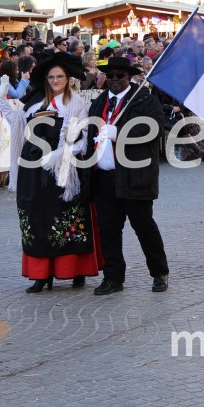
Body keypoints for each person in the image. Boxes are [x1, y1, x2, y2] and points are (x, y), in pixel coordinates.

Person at [0, 52, 100, 292]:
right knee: (35, 216)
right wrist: (2, 97)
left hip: (63, 170)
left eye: (60, 76)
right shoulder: (34, 103)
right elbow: (16, 122)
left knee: (66, 216)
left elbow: (83, 140)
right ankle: (41, 275)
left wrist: (58, 156)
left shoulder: (76, 104)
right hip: (32, 169)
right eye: (51, 76)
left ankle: (75, 270)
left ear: (68, 79)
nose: (55, 80)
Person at [85, 57, 169, 295]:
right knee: (108, 230)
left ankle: (159, 272)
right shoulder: (99, 101)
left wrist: (119, 133)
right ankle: (113, 278)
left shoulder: (145, 100)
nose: (113, 80)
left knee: (143, 226)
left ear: (129, 77)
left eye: (119, 76)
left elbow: (154, 130)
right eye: (109, 76)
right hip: (103, 177)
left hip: (135, 174)